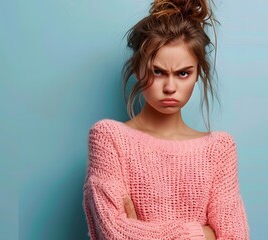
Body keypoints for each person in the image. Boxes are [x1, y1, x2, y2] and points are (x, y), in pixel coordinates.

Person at [82, 0, 250, 239]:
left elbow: (236, 237)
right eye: (157, 71)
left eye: (183, 73)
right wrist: (202, 234)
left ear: (198, 73)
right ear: (139, 69)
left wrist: (141, 232)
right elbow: (114, 233)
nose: (170, 87)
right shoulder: (109, 138)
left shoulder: (219, 149)